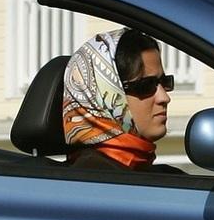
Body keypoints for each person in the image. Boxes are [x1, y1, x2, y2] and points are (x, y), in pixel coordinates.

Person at [62, 28, 176, 172]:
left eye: (164, 82)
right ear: (103, 97)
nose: (165, 98)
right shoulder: (93, 178)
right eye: (146, 86)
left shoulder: (153, 174)